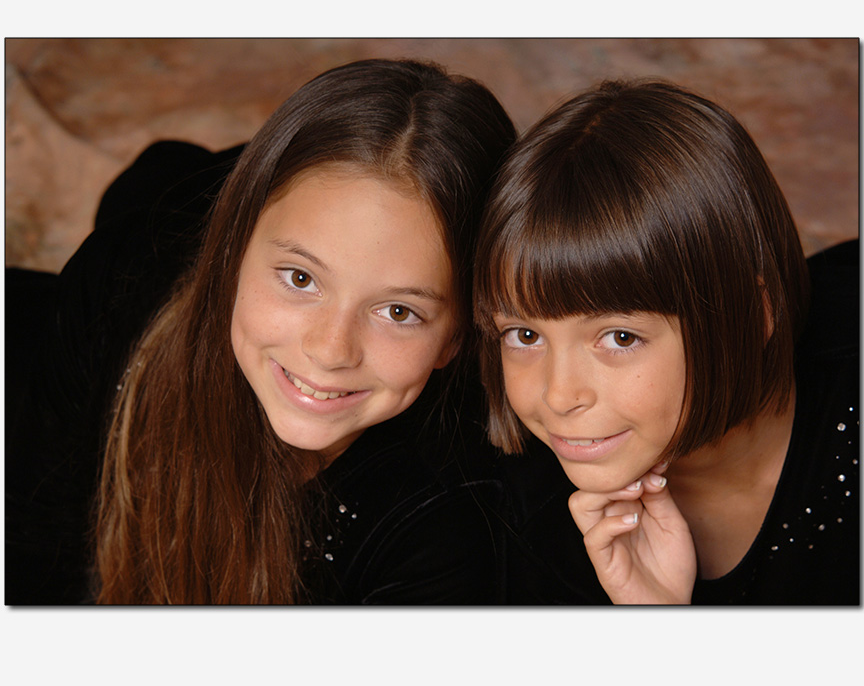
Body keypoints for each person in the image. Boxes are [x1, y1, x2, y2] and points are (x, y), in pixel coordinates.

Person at [6, 58, 516, 604]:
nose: (329, 350)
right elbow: (36, 564)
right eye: (300, 278)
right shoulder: (117, 285)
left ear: (458, 337)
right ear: (233, 251)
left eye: (398, 312)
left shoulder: (455, 514)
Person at [473, 79, 859, 605]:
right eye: (524, 335)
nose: (559, 396)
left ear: (753, 313)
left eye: (620, 336)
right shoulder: (520, 511)